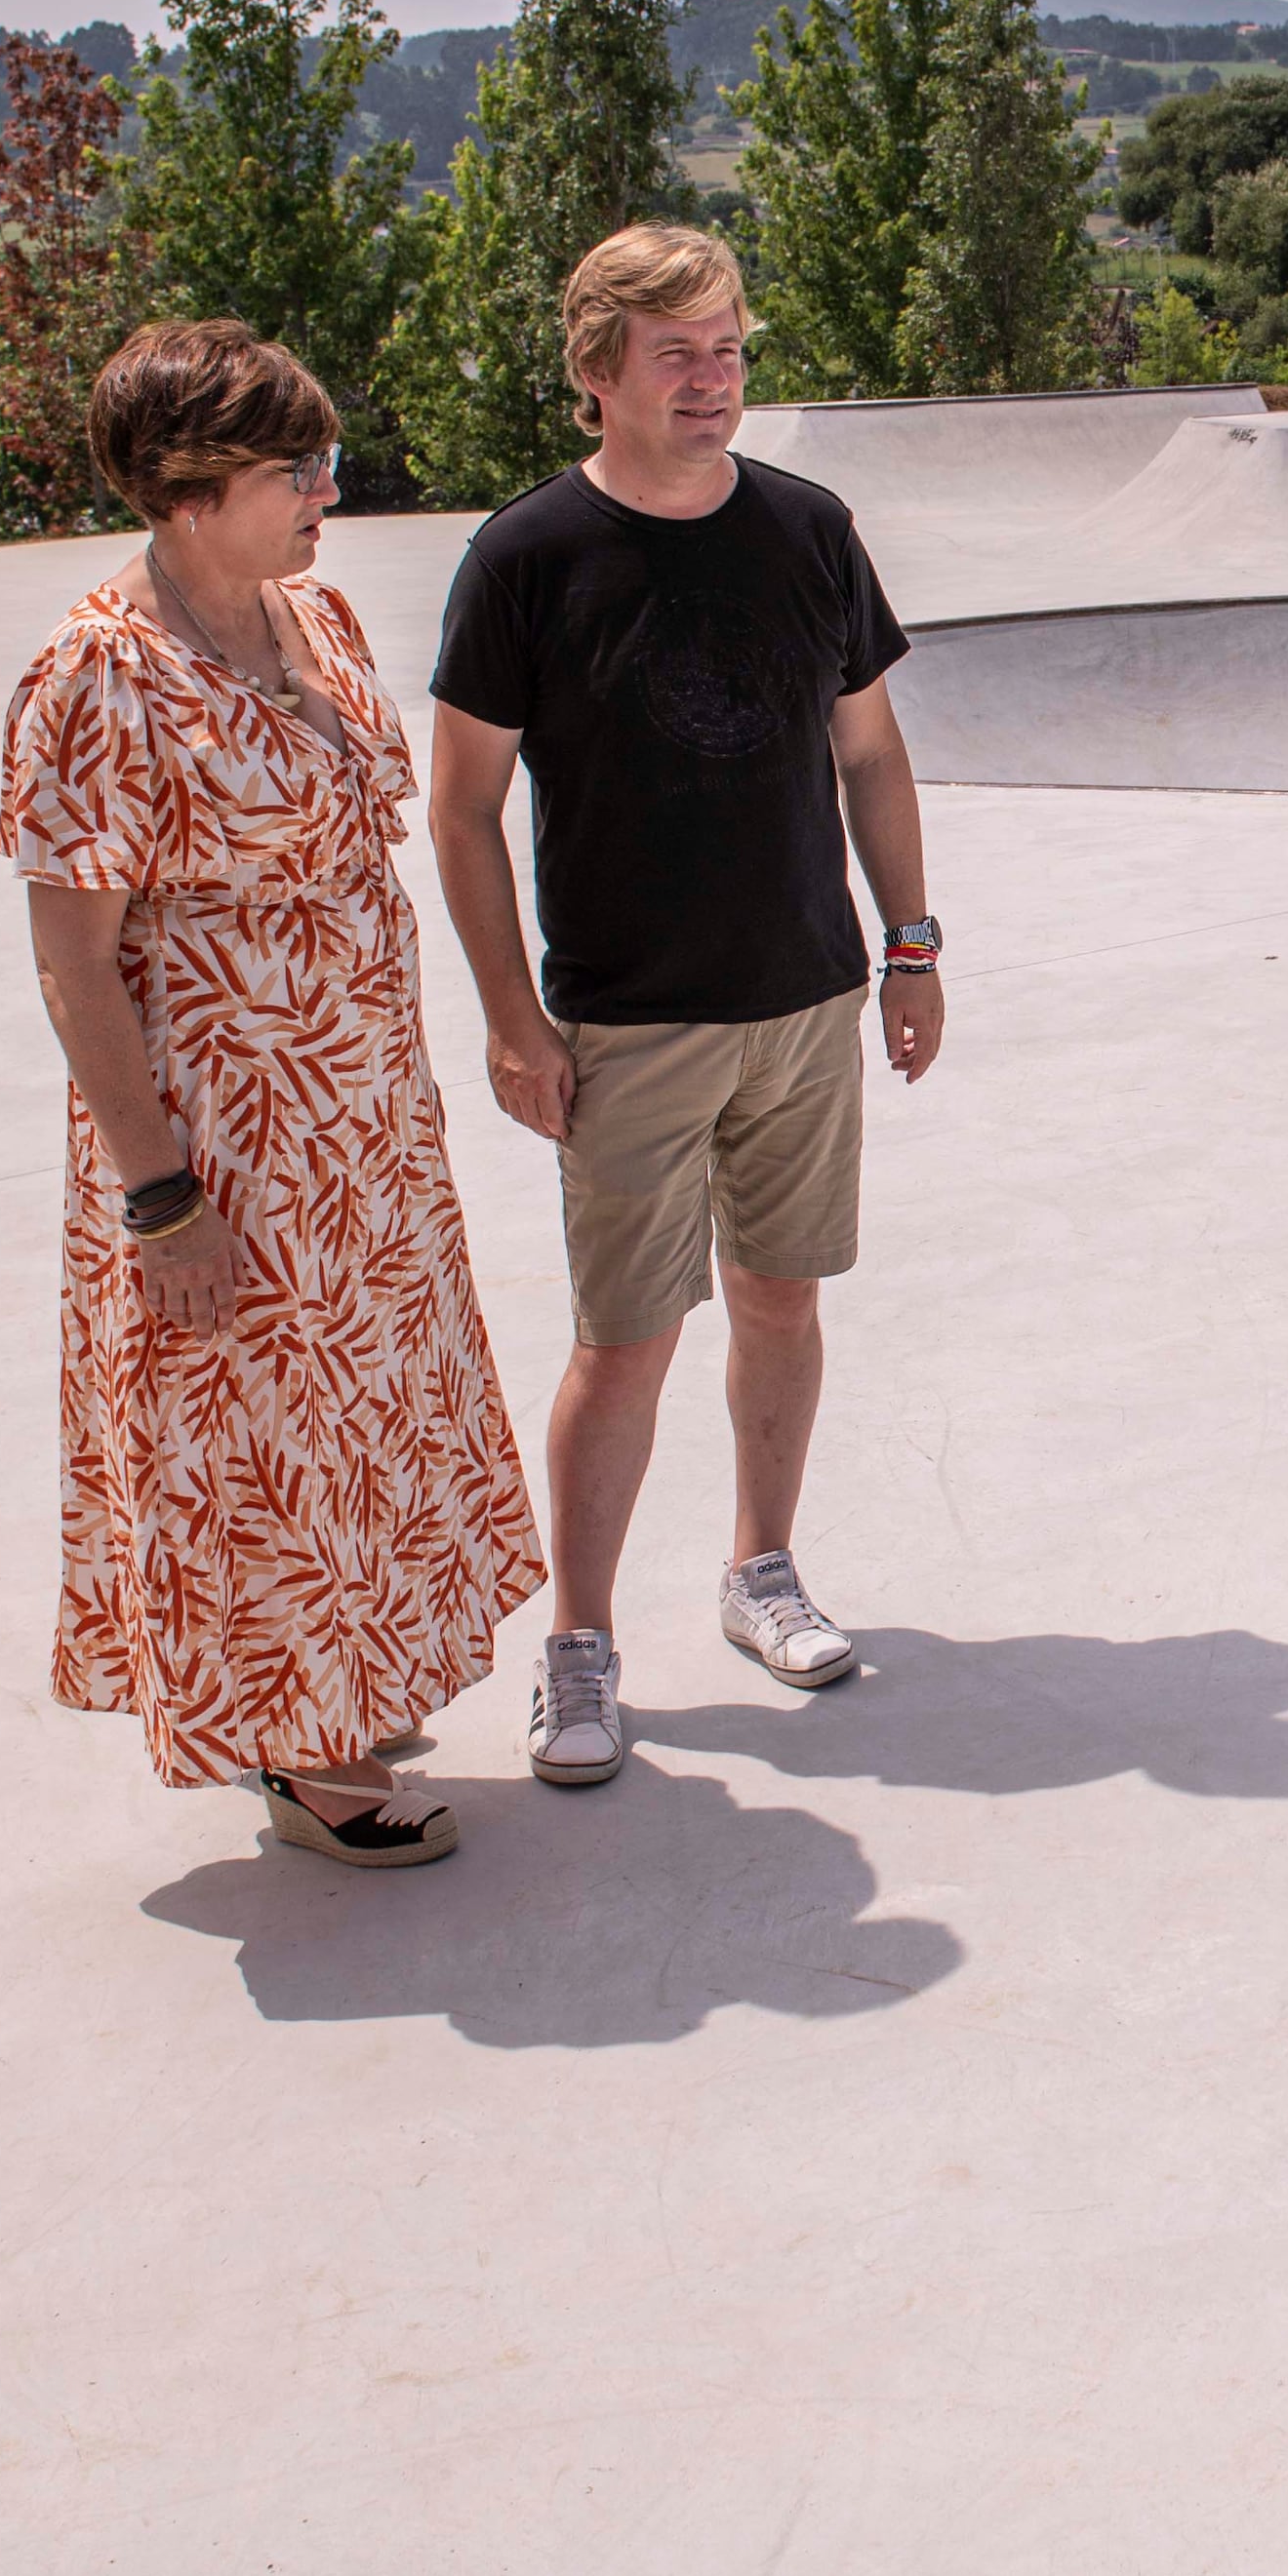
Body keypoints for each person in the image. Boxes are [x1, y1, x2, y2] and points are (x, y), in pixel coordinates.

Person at [0, 319, 548, 1869]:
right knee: (254, 1430)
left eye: (325, 459)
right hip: (224, 1140)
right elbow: (72, 966)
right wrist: (156, 1192)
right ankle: (299, 1755)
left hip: (360, 1120)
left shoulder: (321, 618)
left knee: (358, 1415)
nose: (327, 490)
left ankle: (345, 1683)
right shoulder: (98, 678)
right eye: (292, 469)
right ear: (185, 490)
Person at [427, 223, 943, 1792]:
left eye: (728, 349)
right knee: (628, 1340)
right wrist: (515, 1021)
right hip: (629, 1020)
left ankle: (760, 1571)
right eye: (677, 354)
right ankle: (579, 1645)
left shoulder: (807, 529)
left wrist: (909, 946)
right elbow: (459, 809)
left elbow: (870, 753)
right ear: (597, 374)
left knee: (784, 1300)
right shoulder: (526, 558)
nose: (713, 380)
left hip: (804, 996)